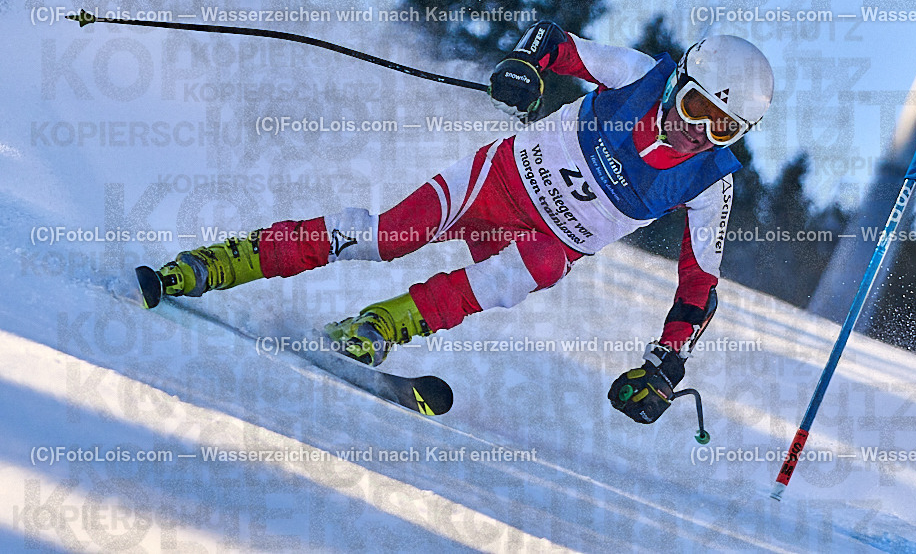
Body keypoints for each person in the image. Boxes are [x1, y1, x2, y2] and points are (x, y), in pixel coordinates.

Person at [144, 22, 774, 425]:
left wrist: (666, 363)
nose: (697, 130)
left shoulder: (711, 180)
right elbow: (554, 42)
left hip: (548, 240)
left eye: (721, 127)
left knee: (515, 278)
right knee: (383, 236)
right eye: (695, 107)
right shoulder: (642, 74)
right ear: (680, 83)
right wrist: (526, 67)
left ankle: (374, 329)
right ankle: (217, 263)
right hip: (498, 182)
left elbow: (699, 288)